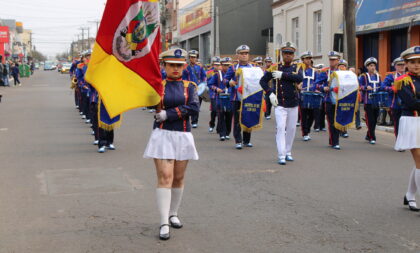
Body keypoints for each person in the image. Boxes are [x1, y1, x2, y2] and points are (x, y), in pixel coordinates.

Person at [144, 48, 200, 240]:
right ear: (164, 66)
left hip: (183, 135)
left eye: (179, 65)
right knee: (165, 177)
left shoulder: (190, 86)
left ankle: (173, 213)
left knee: (178, 177)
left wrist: (168, 113)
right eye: (171, 65)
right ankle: (163, 222)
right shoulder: (158, 85)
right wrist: (151, 99)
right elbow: (147, 102)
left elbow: (193, 107)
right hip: (163, 135)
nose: (175, 68)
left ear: (184, 66)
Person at [260, 42, 303, 165]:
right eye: (286, 53)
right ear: (282, 54)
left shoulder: (298, 67)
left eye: (290, 54)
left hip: (293, 103)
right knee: (280, 128)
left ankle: (288, 152)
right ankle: (281, 154)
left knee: (291, 129)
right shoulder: (275, 67)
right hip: (280, 103)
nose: (288, 56)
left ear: (293, 55)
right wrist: (270, 93)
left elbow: (299, 78)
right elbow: (263, 81)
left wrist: (283, 75)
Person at [393, 46, 420, 212]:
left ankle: (410, 194)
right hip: (411, 121)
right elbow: (411, 103)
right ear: (406, 64)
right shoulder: (402, 80)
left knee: (419, 162)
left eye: (419, 62)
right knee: (419, 159)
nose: (417, 65)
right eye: (413, 62)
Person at [224, 45, 254, 149]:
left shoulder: (253, 68)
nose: (244, 55)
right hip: (236, 97)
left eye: (246, 53)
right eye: (242, 53)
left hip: (249, 97)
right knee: (237, 120)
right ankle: (238, 140)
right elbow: (225, 80)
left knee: (248, 119)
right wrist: (230, 82)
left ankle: (247, 140)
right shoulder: (232, 68)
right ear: (237, 55)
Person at [314, 51, 341, 149]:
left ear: (338, 60)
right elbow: (316, 84)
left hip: (339, 100)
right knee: (331, 121)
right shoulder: (325, 72)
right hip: (328, 100)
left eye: (334, 60)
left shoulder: (342, 73)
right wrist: (323, 88)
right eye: (330, 59)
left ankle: (335, 140)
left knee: (337, 121)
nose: (332, 61)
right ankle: (334, 141)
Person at [208, 57, 232, 140]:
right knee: (221, 115)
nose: (227, 67)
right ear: (221, 65)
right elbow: (210, 84)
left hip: (230, 98)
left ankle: (227, 132)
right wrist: (216, 89)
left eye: (229, 65)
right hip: (220, 98)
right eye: (225, 65)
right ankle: (222, 133)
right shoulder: (217, 75)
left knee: (229, 116)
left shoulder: (234, 74)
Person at [381, 57, 405, 137]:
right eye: (399, 65)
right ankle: (398, 141)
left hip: (407, 104)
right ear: (395, 66)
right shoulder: (391, 76)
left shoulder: (408, 76)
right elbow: (383, 86)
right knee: (397, 124)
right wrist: (391, 88)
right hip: (395, 104)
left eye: (403, 64)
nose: (402, 66)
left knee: (405, 125)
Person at [359, 57, 381, 145]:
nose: (373, 67)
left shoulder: (378, 76)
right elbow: (359, 86)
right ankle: (372, 137)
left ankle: (368, 135)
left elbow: (381, 86)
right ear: (367, 67)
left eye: (374, 65)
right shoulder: (363, 76)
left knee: (375, 120)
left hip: (377, 101)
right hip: (368, 102)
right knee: (370, 120)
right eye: (371, 66)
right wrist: (365, 87)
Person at [182, 50, 207, 128]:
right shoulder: (186, 67)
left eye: (195, 57)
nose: (193, 59)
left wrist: (203, 83)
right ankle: (186, 119)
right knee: (187, 104)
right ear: (189, 58)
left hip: (198, 89)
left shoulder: (199, 67)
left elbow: (204, 76)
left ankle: (194, 121)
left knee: (196, 105)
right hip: (189, 88)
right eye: (192, 57)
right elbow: (183, 77)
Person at [299, 51, 319, 141]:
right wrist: (298, 86)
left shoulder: (315, 71)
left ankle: (308, 129)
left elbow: (318, 82)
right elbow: (295, 81)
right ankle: (305, 132)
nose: (308, 60)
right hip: (302, 96)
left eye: (310, 58)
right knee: (303, 115)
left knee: (312, 115)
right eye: (306, 58)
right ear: (302, 60)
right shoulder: (299, 70)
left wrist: (317, 88)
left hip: (312, 96)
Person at [206, 56, 221, 133]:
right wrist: (214, 88)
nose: (217, 66)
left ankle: (219, 128)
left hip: (221, 94)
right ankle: (212, 124)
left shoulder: (222, 72)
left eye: (218, 64)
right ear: (212, 64)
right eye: (215, 64)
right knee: (214, 110)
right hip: (213, 94)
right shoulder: (209, 73)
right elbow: (208, 83)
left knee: (220, 112)